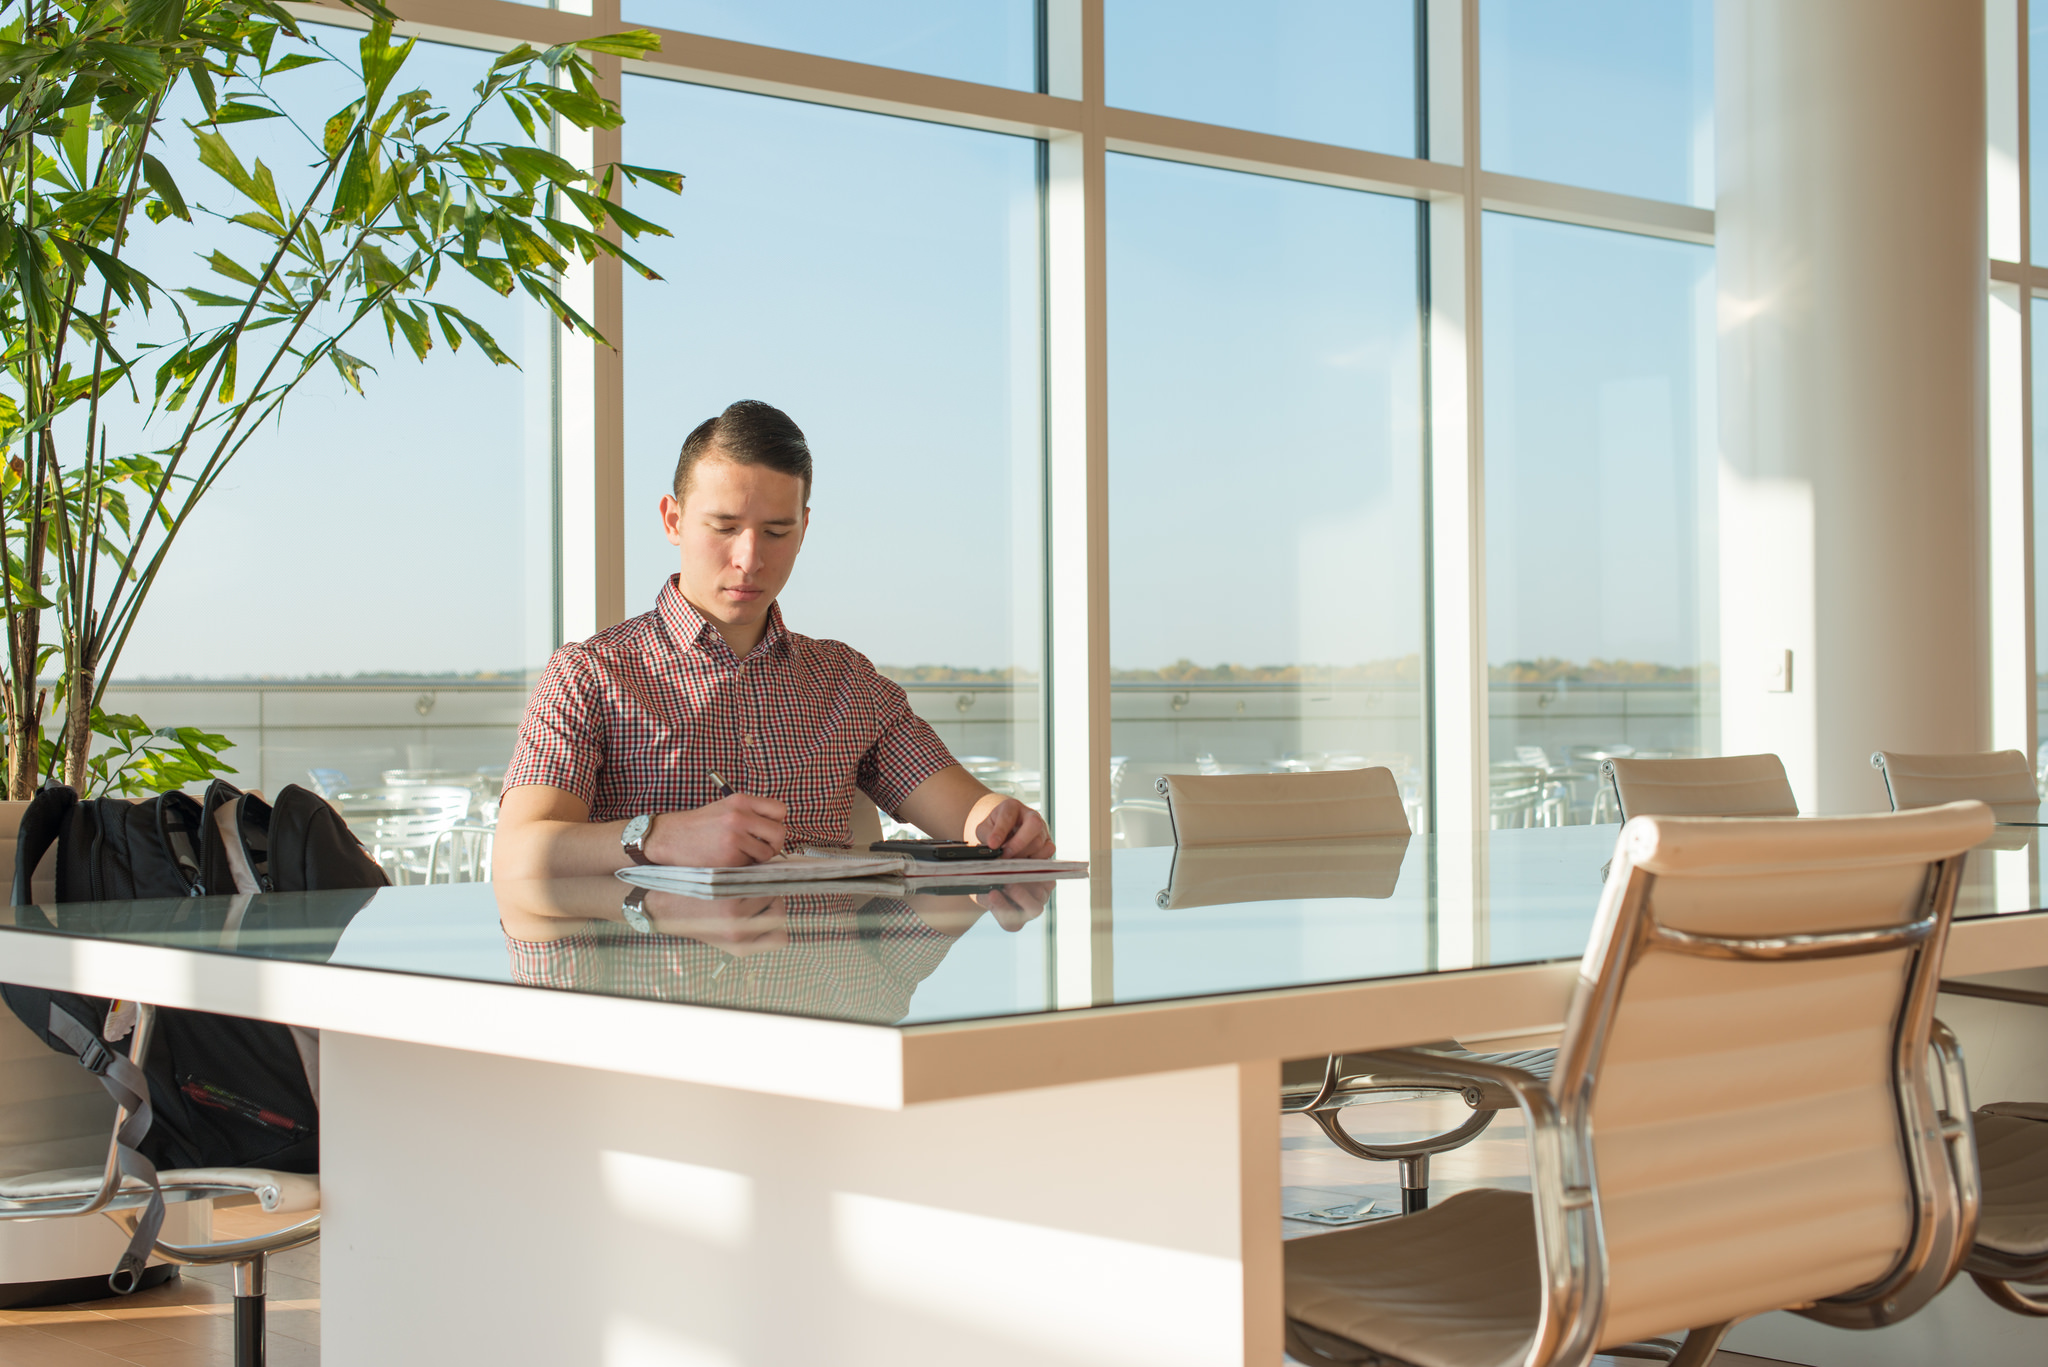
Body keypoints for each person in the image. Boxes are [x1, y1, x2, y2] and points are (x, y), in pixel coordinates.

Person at [493, 399, 1055, 879]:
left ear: (804, 529)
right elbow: (518, 853)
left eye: (777, 532)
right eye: (724, 527)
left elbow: (967, 810)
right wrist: (658, 838)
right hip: (659, 990)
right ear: (672, 521)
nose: (750, 559)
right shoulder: (591, 674)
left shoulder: (847, 680)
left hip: (829, 990)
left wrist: (1004, 821)